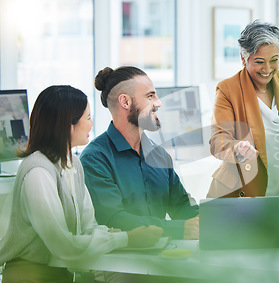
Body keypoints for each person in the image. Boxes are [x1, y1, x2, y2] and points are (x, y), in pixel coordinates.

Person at [0, 85, 162, 282]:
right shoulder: (38, 171)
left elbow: (87, 226)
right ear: (68, 125)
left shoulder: (73, 163)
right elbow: (63, 246)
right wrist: (127, 239)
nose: (92, 124)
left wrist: (114, 235)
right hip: (30, 276)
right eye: (87, 118)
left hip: (62, 274)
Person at [208, 20, 279, 215]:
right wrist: (237, 148)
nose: (267, 69)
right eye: (259, 62)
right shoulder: (228, 90)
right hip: (243, 193)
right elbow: (218, 140)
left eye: (274, 60)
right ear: (244, 58)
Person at [80, 66, 199, 241]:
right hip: (120, 265)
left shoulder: (159, 155)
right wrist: (180, 229)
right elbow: (114, 219)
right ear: (125, 102)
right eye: (150, 96)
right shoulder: (95, 158)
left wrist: (206, 220)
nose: (158, 102)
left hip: (162, 260)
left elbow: (181, 205)